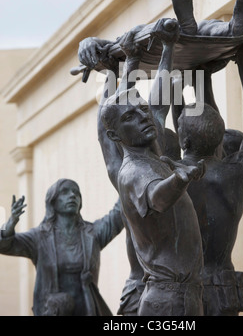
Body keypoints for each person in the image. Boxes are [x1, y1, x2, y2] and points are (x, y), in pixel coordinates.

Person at [98, 19, 206, 317]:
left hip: (180, 297)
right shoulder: (133, 170)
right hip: (169, 302)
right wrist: (179, 179)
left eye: (142, 110)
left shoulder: (150, 154)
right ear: (115, 135)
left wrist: (168, 48)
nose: (144, 117)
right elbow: (157, 197)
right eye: (131, 117)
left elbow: (158, 100)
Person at [172, 42, 243, 315]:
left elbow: (172, 127)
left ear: (184, 140)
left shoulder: (170, 173)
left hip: (182, 290)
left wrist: (175, 77)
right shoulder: (235, 173)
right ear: (221, 139)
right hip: (222, 287)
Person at [0, 179, 124, 316]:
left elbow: (119, 215)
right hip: (53, 311)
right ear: (52, 201)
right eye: (65, 192)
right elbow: (5, 245)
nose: (72, 195)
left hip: (87, 309)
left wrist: (126, 179)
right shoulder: (40, 237)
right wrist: (10, 224)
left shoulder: (93, 234)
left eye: (76, 193)